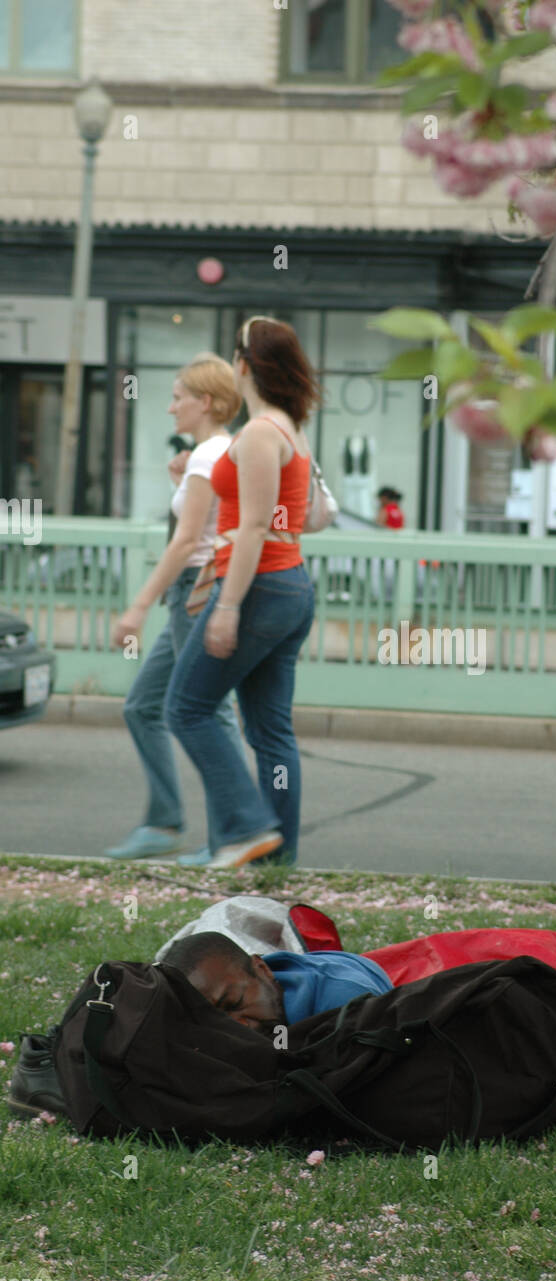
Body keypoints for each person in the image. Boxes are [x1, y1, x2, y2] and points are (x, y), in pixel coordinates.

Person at [163, 315, 320, 870]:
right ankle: (276, 864)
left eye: (235, 354)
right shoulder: (290, 429)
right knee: (271, 732)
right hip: (291, 586)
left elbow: (253, 527)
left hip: (257, 590)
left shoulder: (257, 433)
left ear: (246, 365)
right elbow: (315, 516)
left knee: (185, 707)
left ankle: (246, 828)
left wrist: (226, 604)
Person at [108, 354, 247, 866]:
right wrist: (179, 482)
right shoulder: (212, 454)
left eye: (178, 397)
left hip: (195, 589)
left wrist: (137, 607)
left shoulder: (209, 457)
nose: (171, 409)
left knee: (210, 712)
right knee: (144, 706)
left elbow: (188, 540)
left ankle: (233, 836)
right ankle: (165, 822)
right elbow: (209, 525)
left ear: (205, 402)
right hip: (194, 592)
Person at [161, 931, 392, 1032]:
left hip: (351, 968)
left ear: (262, 969)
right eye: (215, 1020)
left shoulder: (347, 1003)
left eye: (235, 1003)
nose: (237, 1026)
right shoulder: (246, 988)